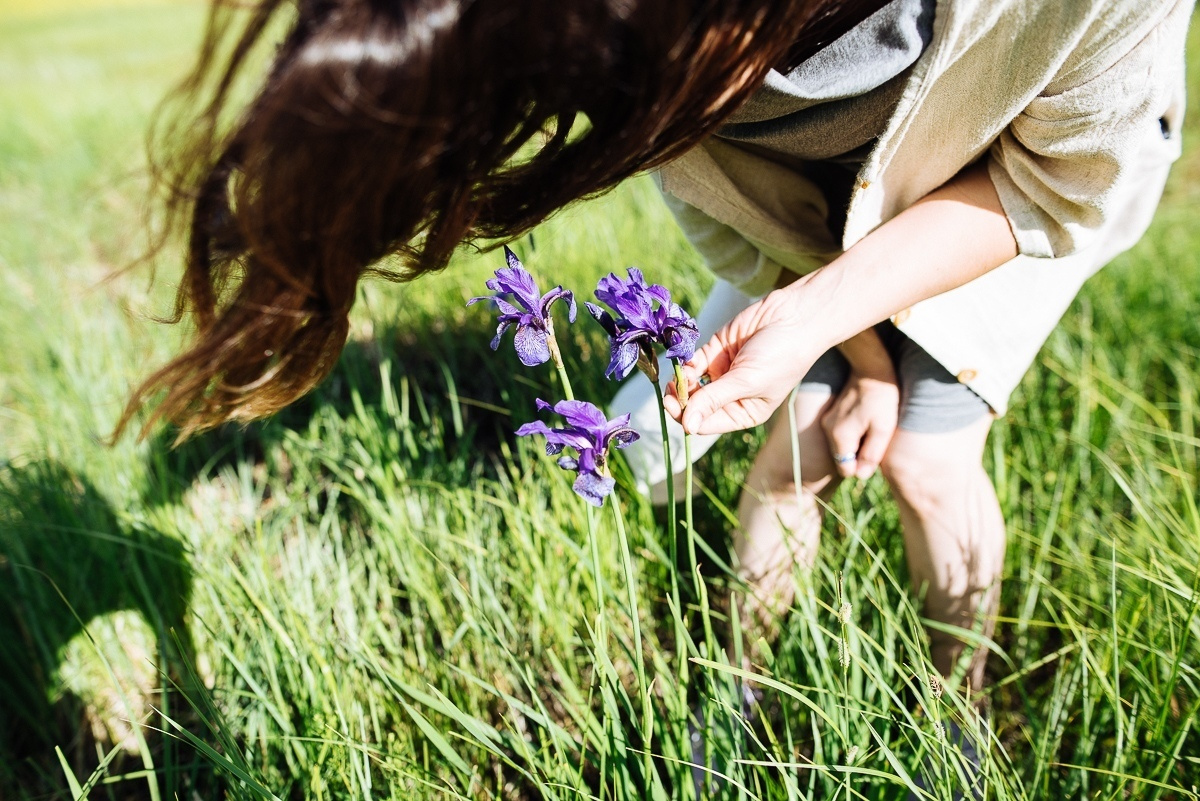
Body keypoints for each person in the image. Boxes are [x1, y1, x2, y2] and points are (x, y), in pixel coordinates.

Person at [124, 0, 1190, 699]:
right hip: (812, 231)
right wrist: (848, 346)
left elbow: (1057, 186)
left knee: (927, 460)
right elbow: (763, 232)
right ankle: (741, 687)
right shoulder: (625, 56)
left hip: (1013, 191)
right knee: (797, 448)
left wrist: (844, 335)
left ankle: (952, 705)